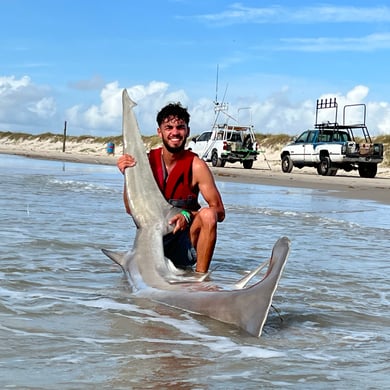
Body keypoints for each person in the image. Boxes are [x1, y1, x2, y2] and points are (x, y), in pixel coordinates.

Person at [117, 102, 225, 273]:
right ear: (159, 131)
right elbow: (131, 210)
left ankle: (199, 281)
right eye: (168, 127)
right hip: (151, 242)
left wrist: (188, 215)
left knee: (208, 215)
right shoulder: (144, 163)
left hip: (184, 242)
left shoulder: (197, 166)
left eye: (180, 127)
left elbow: (219, 212)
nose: (175, 132)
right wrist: (128, 176)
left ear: (187, 131)